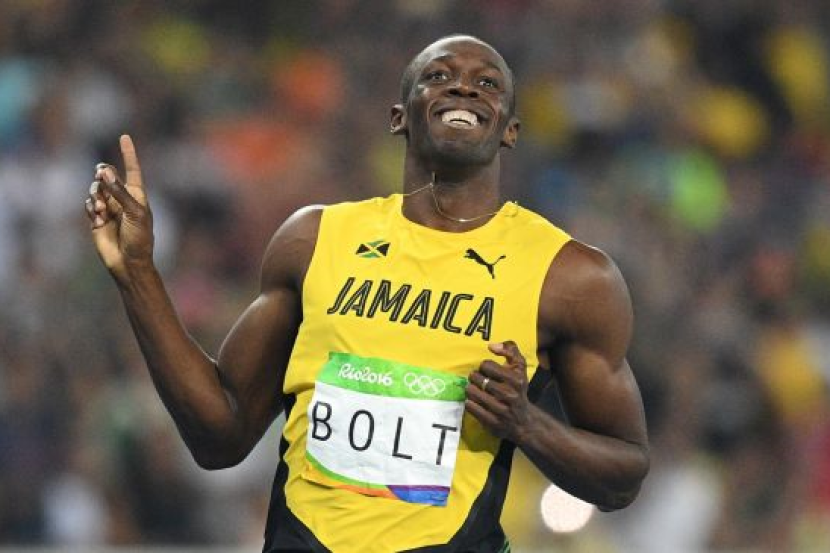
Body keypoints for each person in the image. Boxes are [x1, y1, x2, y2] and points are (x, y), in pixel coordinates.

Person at [84, 35, 649, 553]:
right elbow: (220, 437)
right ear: (399, 117)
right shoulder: (313, 240)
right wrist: (138, 273)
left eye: (487, 83)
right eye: (439, 76)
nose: (463, 87)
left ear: (510, 130)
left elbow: (623, 476)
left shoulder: (570, 278)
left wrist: (527, 424)